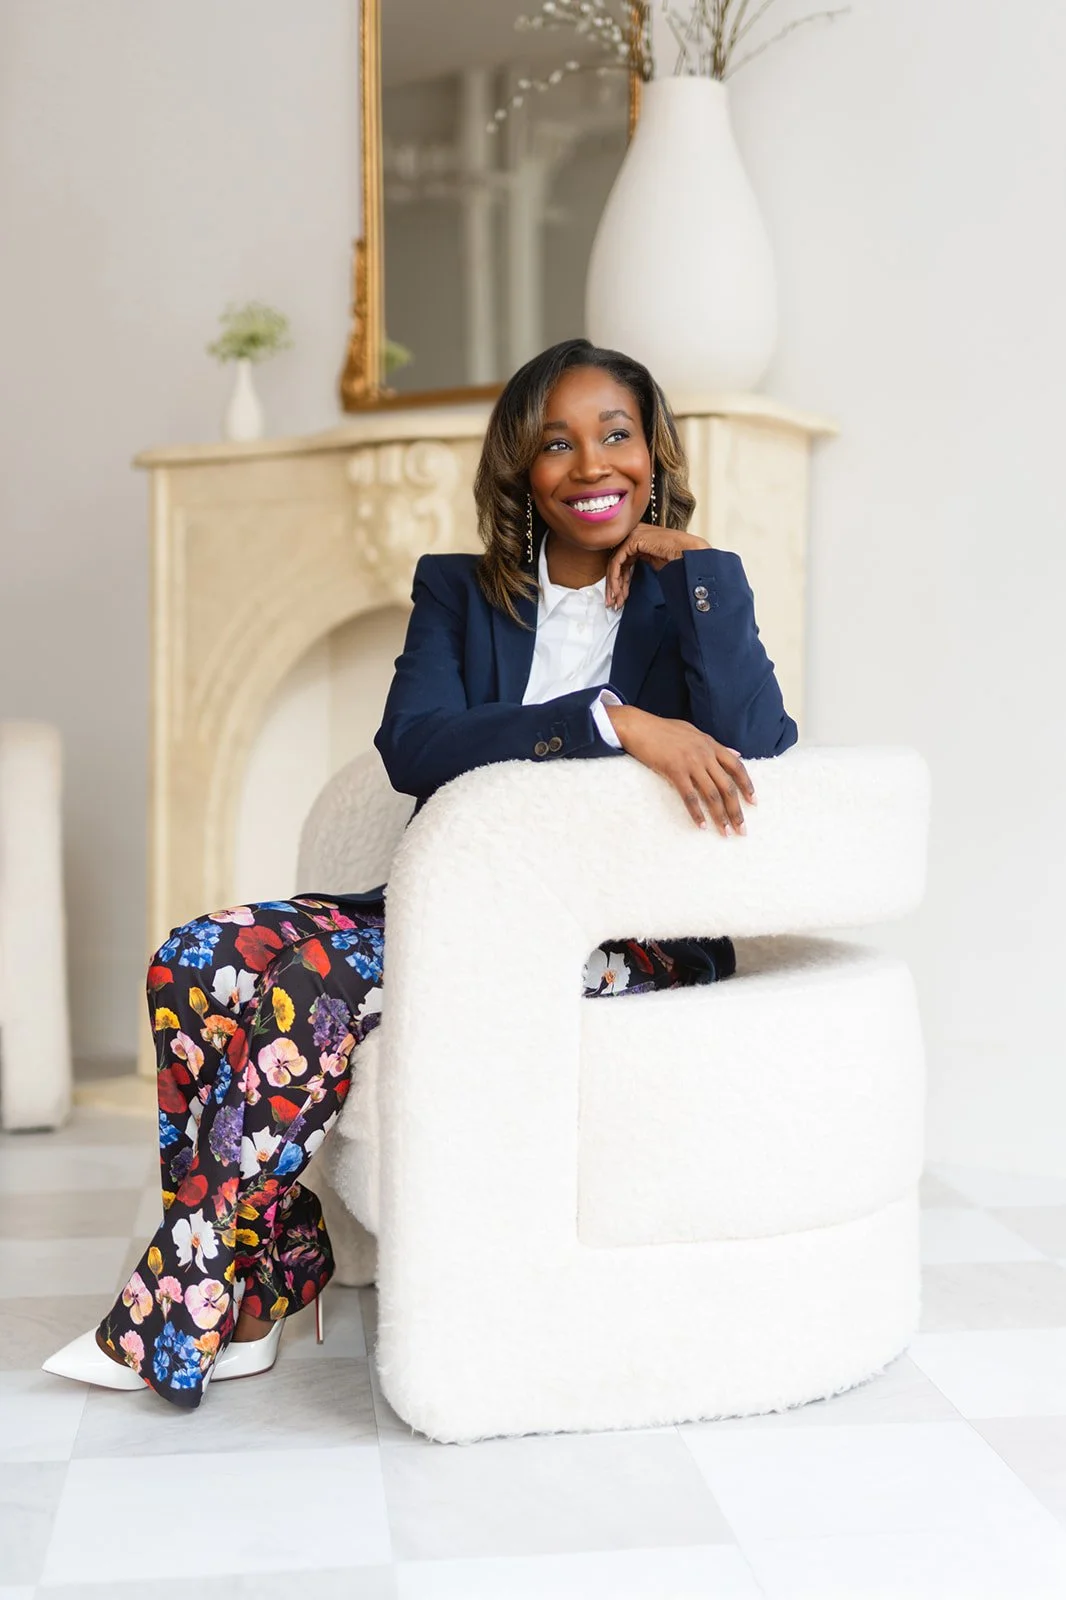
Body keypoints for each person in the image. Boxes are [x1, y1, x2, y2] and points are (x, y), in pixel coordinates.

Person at [43, 337, 797, 1409]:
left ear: (653, 450)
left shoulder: (692, 597)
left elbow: (756, 743)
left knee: (304, 986)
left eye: (615, 435)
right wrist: (612, 722)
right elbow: (417, 742)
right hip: (451, 907)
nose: (591, 464)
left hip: (619, 936)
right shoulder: (460, 591)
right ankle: (261, 1280)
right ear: (521, 474)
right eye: (556, 444)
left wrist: (707, 568)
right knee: (192, 959)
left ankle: (182, 1307)